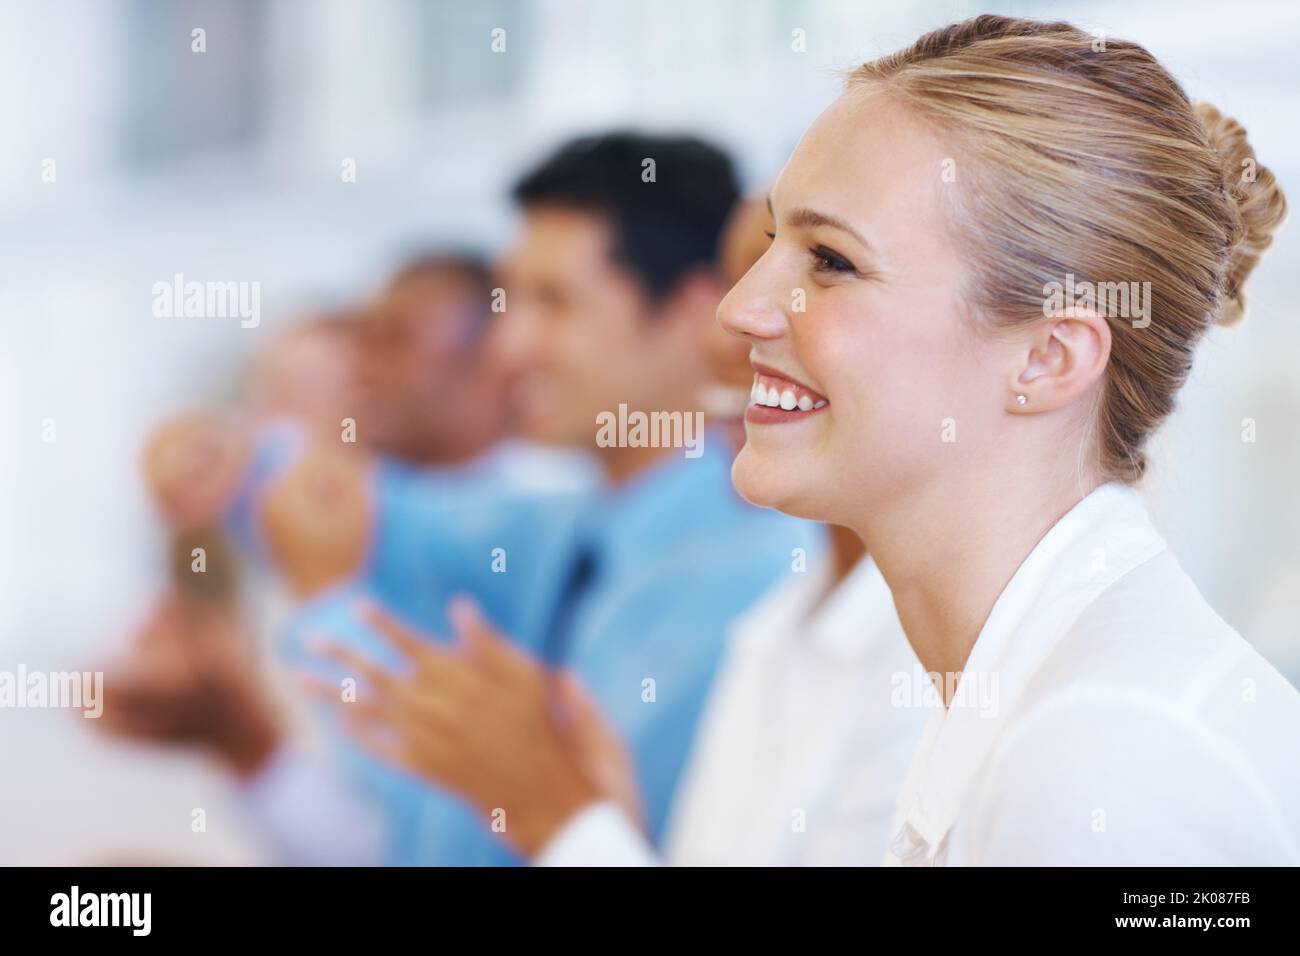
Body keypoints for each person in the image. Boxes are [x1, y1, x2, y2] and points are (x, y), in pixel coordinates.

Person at [714, 16, 1296, 864]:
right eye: (775, 241)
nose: (739, 307)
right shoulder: (1034, 698)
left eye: (830, 261)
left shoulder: (1101, 760)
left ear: (1048, 358)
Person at [310, 195, 928, 865]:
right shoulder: (769, 619)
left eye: (556, 301)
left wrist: (559, 817)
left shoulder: (769, 591)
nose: (725, 330)